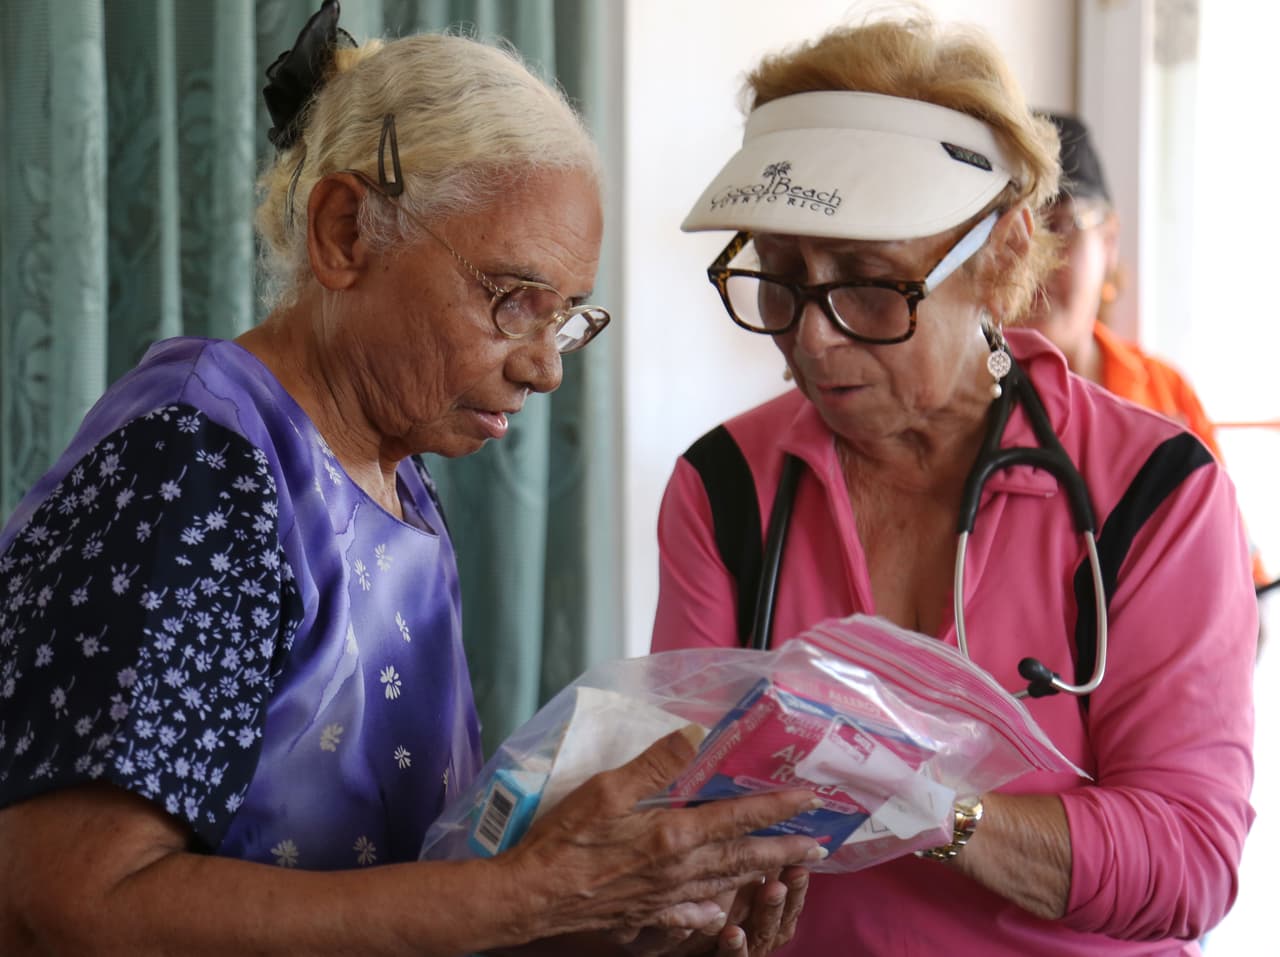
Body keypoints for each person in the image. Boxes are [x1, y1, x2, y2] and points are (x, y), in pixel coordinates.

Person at [0, 4, 824, 955]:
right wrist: (538, 897)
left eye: (566, 318)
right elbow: (67, 905)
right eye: (512, 299)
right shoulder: (197, 466)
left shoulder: (399, 490)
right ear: (346, 231)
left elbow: (407, 894)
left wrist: (614, 915)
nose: (547, 366)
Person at [651, 13, 1256, 955]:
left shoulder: (1152, 490)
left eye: (869, 283)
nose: (813, 338)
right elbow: (689, 812)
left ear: (1005, 252)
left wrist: (924, 801)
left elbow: (1188, 862)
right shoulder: (727, 487)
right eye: (779, 278)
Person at [1027, 110, 1268, 587]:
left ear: (1110, 240)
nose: (1032, 262)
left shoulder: (1165, 393)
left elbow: (1242, 573)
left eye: (1059, 225)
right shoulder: (957, 403)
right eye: (1015, 233)